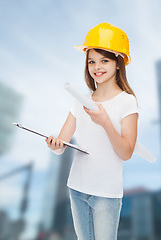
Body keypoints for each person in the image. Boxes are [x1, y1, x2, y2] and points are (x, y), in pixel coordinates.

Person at [46, 22, 139, 240]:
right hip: (77, 188)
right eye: (91, 61)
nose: (97, 67)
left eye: (104, 60)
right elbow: (63, 143)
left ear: (118, 63)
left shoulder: (127, 102)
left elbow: (126, 152)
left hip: (106, 194)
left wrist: (105, 122)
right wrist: (55, 145)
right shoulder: (81, 101)